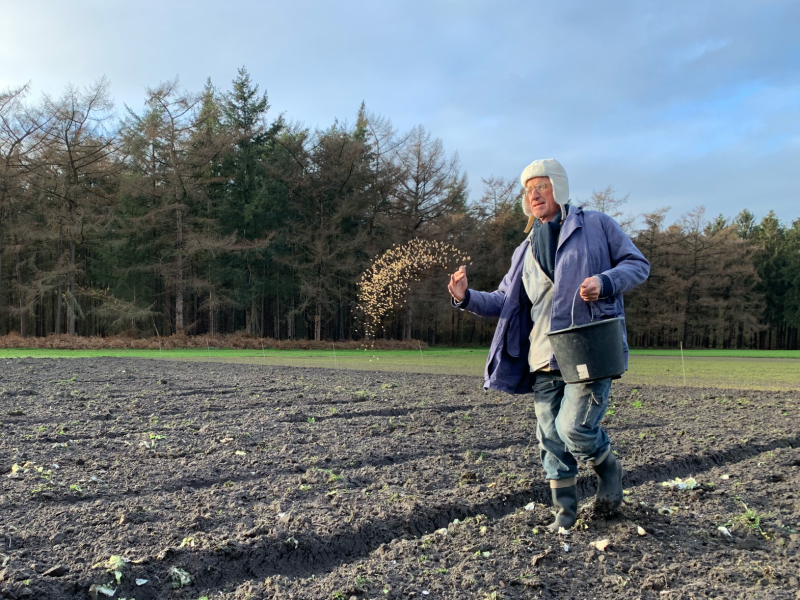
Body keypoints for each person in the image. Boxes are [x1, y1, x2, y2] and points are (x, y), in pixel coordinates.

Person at [448, 158, 649, 531]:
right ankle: (566, 514)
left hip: (588, 347)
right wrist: (466, 297)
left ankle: (609, 470)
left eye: (541, 186)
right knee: (550, 438)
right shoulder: (524, 250)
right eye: (528, 189)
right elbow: (503, 300)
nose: (534, 194)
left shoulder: (597, 226)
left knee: (574, 428)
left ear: (559, 187)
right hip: (542, 354)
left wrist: (605, 282)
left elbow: (637, 264)